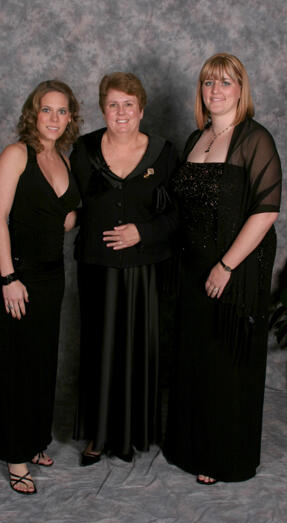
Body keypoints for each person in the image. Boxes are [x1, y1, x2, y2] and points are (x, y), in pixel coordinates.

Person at [163, 53, 282, 484]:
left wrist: (226, 265)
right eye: (209, 83)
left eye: (225, 83)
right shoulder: (197, 137)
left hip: (233, 267)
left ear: (240, 89)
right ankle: (190, 445)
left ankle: (220, 455)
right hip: (192, 266)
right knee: (197, 357)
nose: (216, 91)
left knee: (225, 362)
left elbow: (266, 211)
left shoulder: (254, 138)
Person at [0, 80, 81, 494]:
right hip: (16, 274)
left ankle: (35, 439)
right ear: (32, 113)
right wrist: (8, 278)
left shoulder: (64, 159)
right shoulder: (16, 154)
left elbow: (65, 218)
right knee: (15, 365)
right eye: (47, 110)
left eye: (62, 111)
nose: (54, 118)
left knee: (41, 362)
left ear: (70, 117)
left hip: (51, 275)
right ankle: (15, 452)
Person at [71, 72, 178, 465]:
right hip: (96, 266)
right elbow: (70, 205)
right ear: (103, 108)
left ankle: (131, 436)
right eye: (113, 104)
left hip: (145, 269)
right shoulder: (82, 151)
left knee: (138, 351)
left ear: (141, 109)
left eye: (128, 105)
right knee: (99, 349)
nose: (121, 112)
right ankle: (97, 437)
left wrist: (143, 233)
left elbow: (178, 215)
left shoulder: (165, 153)